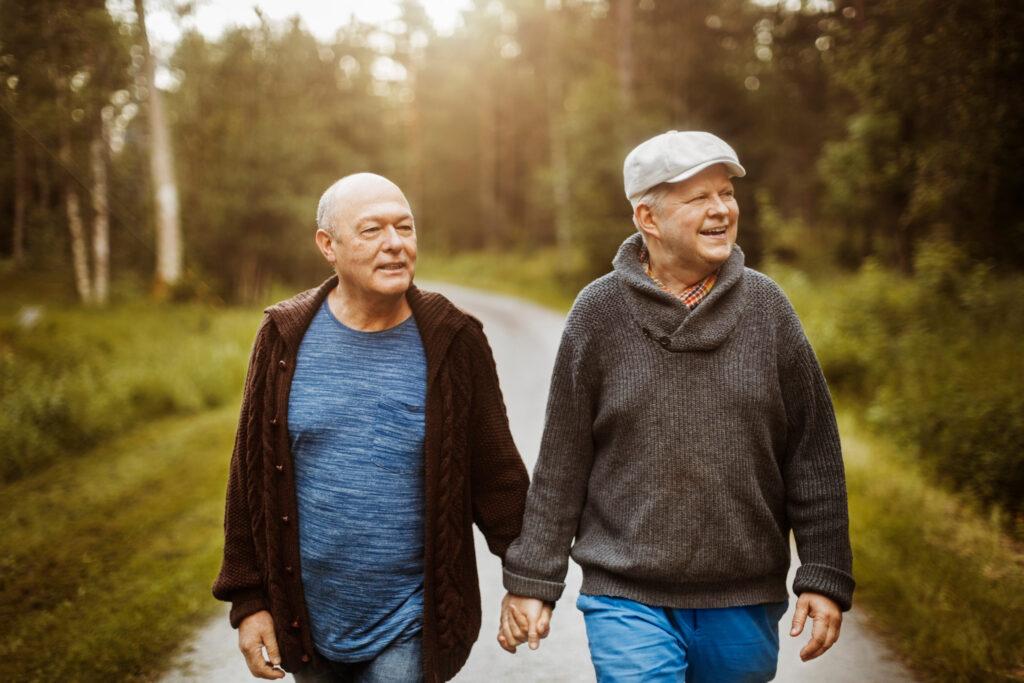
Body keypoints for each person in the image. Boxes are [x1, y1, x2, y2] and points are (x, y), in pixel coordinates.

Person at [497, 131, 854, 682]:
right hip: (626, 594)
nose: (721, 210)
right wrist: (532, 581)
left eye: (725, 194)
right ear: (648, 217)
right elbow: (562, 461)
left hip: (743, 596)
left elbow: (813, 453)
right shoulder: (598, 314)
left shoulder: (768, 310)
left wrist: (824, 572)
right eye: (698, 198)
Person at [212, 173, 529, 682]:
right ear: (328, 246)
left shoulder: (453, 339)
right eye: (372, 230)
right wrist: (249, 602)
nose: (395, 245)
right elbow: (249, 480)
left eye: (405, 227)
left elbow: (496, 474)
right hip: (309, 621)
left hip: (411, 620)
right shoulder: (282, 337)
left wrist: (527, 578)